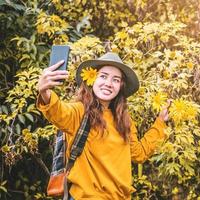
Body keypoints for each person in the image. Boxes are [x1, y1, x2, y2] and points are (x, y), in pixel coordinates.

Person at [36, 52, 170, 200]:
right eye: (103, 76)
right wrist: (44, 92)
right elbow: (58, 112)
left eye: (116, 79)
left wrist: (160, 123)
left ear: (121, 86)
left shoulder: (125, 120)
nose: (108, 83)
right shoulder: (79, 111)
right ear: (91, 79)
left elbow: (139, 153)